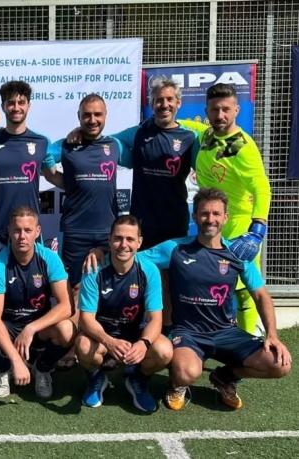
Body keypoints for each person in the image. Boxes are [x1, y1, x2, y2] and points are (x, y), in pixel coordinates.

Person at [142, 188, 291, 411]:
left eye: (216, 214)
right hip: (188, 332)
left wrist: (272, 335)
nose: (210, 219)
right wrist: (100, 253)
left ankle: (225, 377)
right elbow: (132, 258)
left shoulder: (238, 254)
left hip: (226, 332)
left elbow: (260, 295)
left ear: (225, 218)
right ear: (195, 216)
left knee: (280, 364)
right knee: (186, 372)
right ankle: (177, 383)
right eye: (204, 214)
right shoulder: (175, 248)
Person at [180, 83, 271, 336]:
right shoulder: (207, 135)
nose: (220, 115)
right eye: (214, 109)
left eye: (226, 110)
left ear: (237, 110)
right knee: (214, 284)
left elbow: (262, 188)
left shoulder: (244, 148)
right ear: (207, 111)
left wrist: (257, 230)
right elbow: (191, 126)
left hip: (238, 225)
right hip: (212, 222)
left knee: (244, 288)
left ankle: (250, 340)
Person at [0, 206, 75, 399]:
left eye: (27, 230)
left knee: (67, 330)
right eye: (17, 230)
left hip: (38, 326)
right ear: (9, 231)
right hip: (7, 325)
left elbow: (67, 306)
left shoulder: (49, 259)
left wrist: (31, 328)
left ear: (37, 231)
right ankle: (3, 370)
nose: (22, 236)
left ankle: (42, 368)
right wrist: (16, 360)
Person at [76, 215, 172, 413]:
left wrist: (143, 343)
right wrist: (109, 341)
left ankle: (138, 380)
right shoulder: (94, 270)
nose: (123, 245)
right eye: (118, 238)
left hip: (135, 334)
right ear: (109, 240)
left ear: (139, 242)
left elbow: (155, 319)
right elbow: (86, 319)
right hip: (103, 336)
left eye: (130, 239)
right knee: (83, 346)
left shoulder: (149, 271)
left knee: (164, 351)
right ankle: (96, 378)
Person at [0, 80, 57, 277]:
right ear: (3, 106)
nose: (16, 107)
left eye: (21, 102)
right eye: (11, 103)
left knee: (33, 285)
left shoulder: (42, 142)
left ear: (29, 105)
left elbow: (52, 173)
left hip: (29, 230)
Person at [49, 93, 122, 302]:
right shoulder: (66, 145)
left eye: (97, 114)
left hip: (108, 233)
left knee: (109, 292)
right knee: (73, 292)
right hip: (74, 233)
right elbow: (40, 160)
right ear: (79, 116)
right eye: (86, 115)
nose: (92, 120)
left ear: (106, 115)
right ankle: (73, 334)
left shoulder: (115, 145)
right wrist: (67, 183)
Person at [114, 77, 199, 249]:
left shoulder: (190, 138)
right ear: (152, 104)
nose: (164, 104)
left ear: (179, 103)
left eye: (169, 99)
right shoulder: (139, 133)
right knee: (143, 273)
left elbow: (205, 171)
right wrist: (80, 132)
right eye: (159, 100)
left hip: (175, 221)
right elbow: (107, 142)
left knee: (172, 273)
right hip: (142, 222)